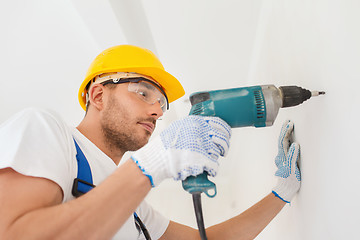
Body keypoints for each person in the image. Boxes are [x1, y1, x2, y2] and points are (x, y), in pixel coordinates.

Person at [0, 45, 301, 240]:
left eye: (161, 103)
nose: (157, 111)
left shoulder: (134, 211)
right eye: (142, 93)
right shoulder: (46, 130)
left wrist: (281, 192)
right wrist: (151, 165)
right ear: (98, 95)